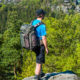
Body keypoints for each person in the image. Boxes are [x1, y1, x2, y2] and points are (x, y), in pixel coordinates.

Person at [32, 9, 48, 80]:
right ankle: (37, 77)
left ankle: (40, 73)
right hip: (39, 45)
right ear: (41, 15)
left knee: (38, 59)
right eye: (43, 14)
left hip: (33, 44)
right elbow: (44, 38)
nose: (44, 15)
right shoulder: (42, 25)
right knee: (39, 62)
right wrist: (46, 48)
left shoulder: (33, 22)